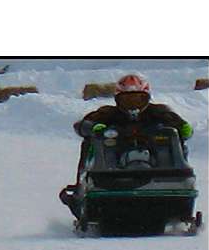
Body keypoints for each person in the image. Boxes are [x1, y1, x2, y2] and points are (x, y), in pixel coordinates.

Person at [60, 73, 193, 212]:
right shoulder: (108, 113)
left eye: (138, 99)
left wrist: (183, 128)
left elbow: (181, 126)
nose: (132, 104)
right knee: (93, 140)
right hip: (112, 164)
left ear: (146, 98)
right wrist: (93, 127)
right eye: (127, 100)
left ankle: (179, 178)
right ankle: (83, 187)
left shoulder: (159, 112)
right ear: (118, 100)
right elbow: (82, 125)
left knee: (172, 137)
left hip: (158, 163)